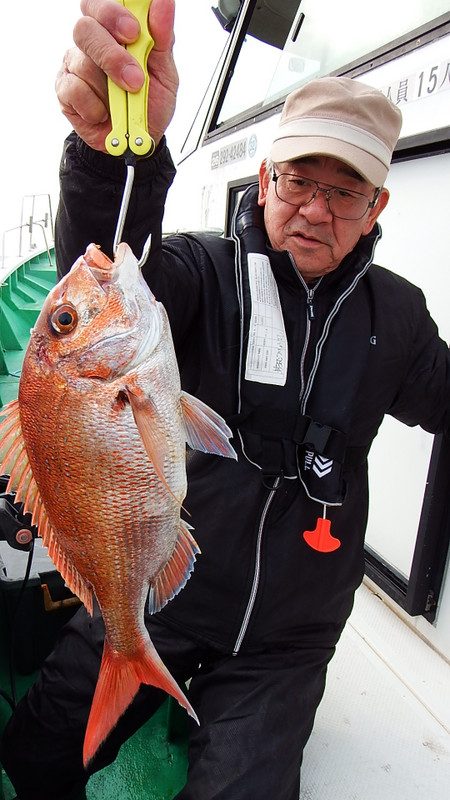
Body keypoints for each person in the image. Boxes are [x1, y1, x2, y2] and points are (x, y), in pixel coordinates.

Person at [1, 1, 449, 799]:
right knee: (37, 748)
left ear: (378, 206)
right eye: (301, 180)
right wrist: (106, 158)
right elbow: (106, 256)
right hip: (163, 591)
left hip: (286, 639)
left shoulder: (401, 318)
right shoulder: (197, 274)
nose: (316, 208)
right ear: (268, 176)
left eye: (346, 193)